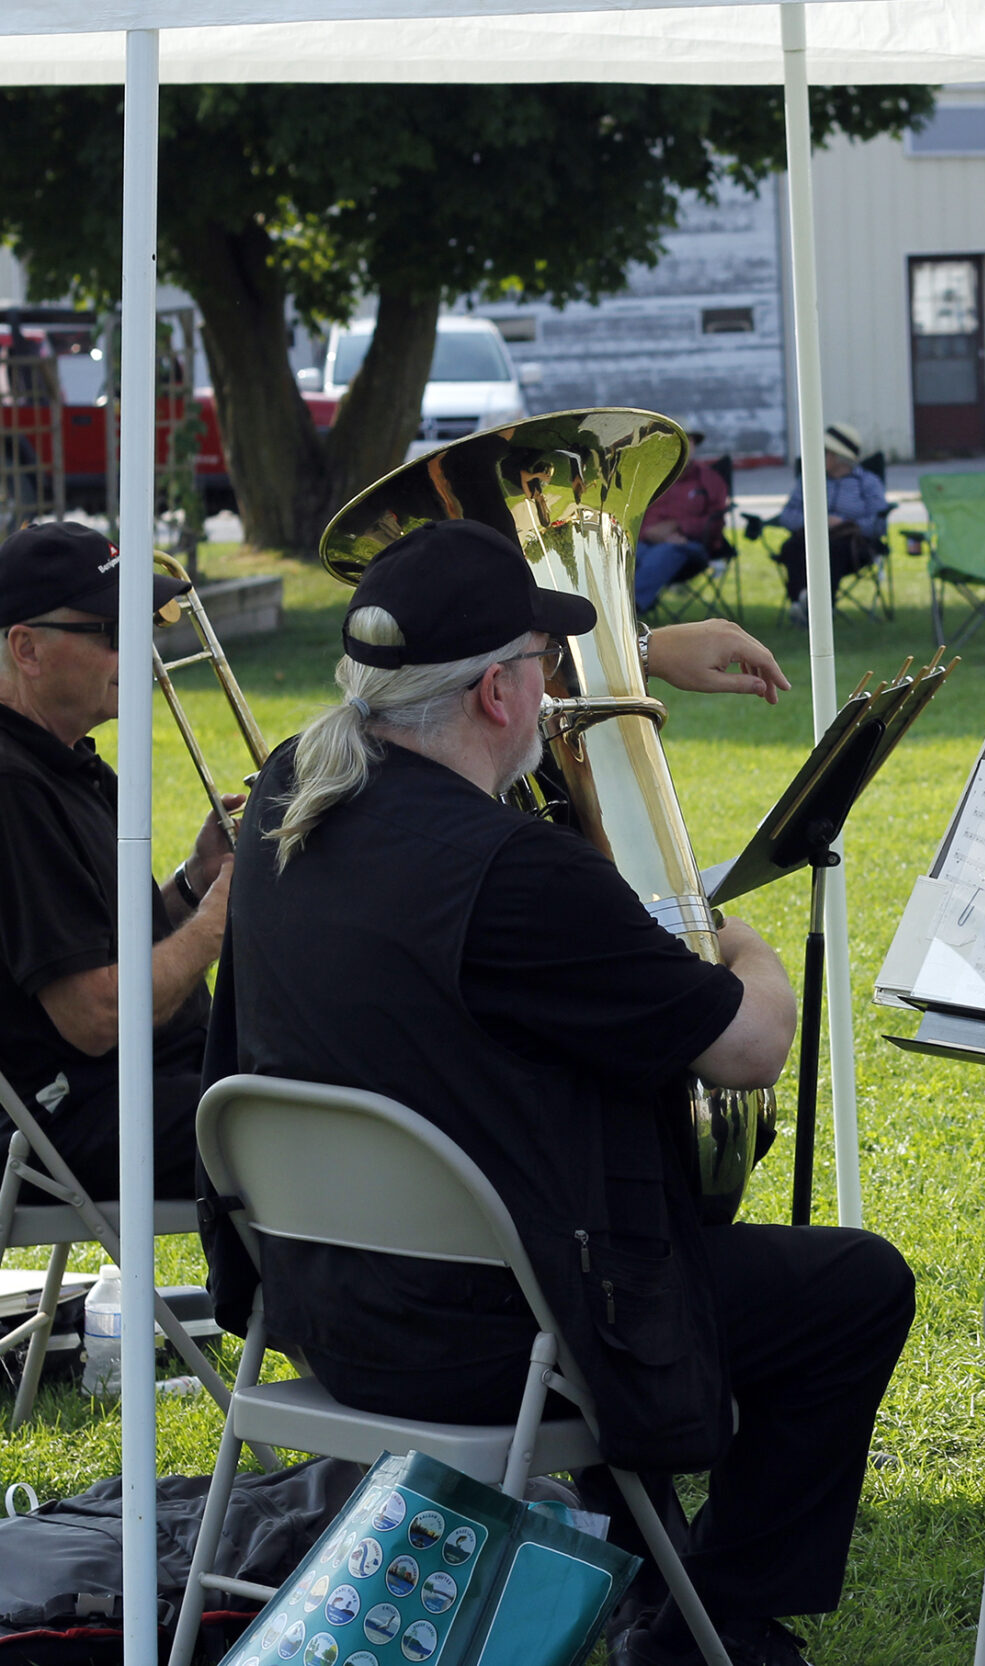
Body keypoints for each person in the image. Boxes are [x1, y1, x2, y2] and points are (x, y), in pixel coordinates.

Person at [203, 521, 911, 1666]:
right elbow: (747, 1050)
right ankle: (710, 1617)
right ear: (495, 691)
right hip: (500, 1339)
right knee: (853, 1286)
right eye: (539, 664)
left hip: (321, 1305)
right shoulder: (514, 874)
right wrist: (734, 939)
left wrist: (647, 646)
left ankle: (649, 1565)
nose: (549, 690)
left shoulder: (295, 787)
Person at [0, 521, 228, 1199]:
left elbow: (88, 946)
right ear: (26, 649)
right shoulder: (12, 786)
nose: (141, 654)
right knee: (320, 1117)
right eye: (112, 633)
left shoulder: (61, 766)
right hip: (73, 1118)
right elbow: (93, 1017)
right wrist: (218, 924)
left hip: (139, 1084)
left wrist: (192, 887)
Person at [771, 421, 887, 628]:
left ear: (837, 456)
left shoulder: (867, 482)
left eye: (824, 452)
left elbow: (878, 523)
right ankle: (801, 599)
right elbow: (787, 515)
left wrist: (843, 523)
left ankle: (821, 607)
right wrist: (815, 522)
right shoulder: (809, 480)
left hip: (852, 545)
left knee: (831, 550)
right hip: (810, 538)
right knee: (792, 547)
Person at [634, 435, 733, 614]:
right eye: (676, 441)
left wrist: (679, 527)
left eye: (689, 441)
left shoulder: (709, 479)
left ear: (694, 445)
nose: (683, 447)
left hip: (691, 546)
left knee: (664, 553)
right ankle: (611, 607)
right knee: (629, 557)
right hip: (649, 541)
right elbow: (638, 514)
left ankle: (630, 608)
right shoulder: (653, 479)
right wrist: (651, 533)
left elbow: (716, 521)